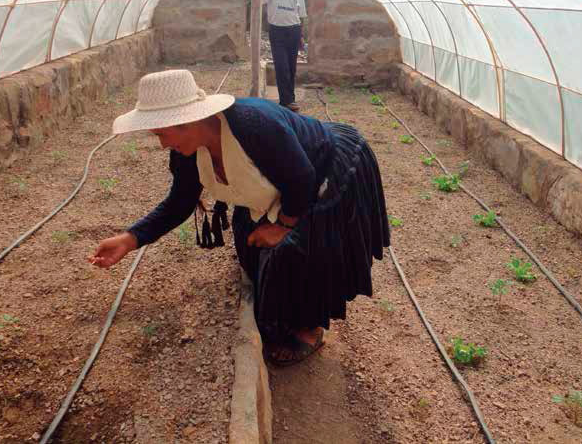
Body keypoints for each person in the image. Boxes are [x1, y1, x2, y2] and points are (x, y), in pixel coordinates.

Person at [89, 69, 391, 366]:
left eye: (162, 134)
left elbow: (302, 178)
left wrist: (282, 225)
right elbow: (180, 202)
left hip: (328, 168)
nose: (162, 144)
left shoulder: (253, 124)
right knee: (252, 251)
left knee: (301, 248)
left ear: (186, 121)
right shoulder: (185, 151)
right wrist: (131, 238)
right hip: (293, 178)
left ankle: (310, 329)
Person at [263, 0, 307, 112]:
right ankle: (287, 101)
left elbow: (300, 16)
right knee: (282, 67)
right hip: (277, 31)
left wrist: (301, 35)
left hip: (293, 31)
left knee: (291, 67)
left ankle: (289, 100)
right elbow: (261, 0)